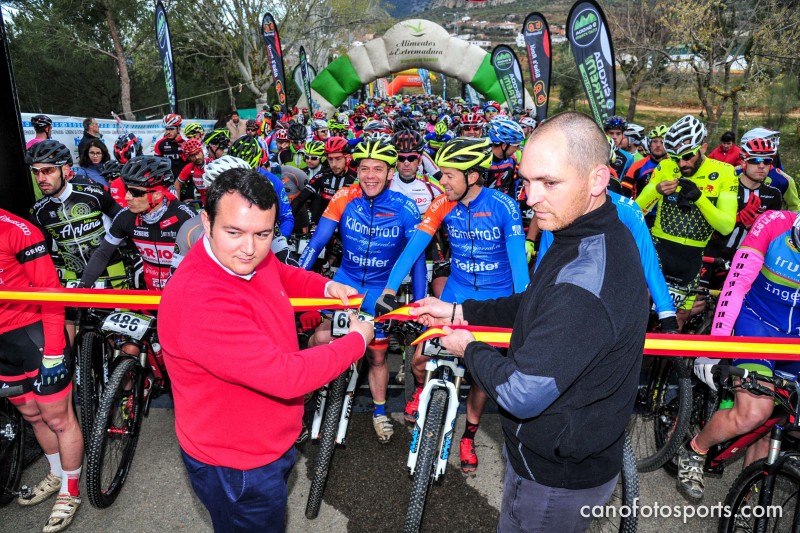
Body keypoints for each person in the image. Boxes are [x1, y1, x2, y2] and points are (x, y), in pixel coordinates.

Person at [409, 111, 649, 532]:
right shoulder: (586, 230)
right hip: (554, 456)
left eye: (549, 183)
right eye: (526, 180)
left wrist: (467, 345)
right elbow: (537, 302)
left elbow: (522, 392)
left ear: (596, 180)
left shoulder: (585, 281)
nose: (530, 197)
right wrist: (459, 311)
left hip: (554, 478)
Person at [159, 168, 371, 532]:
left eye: (263, 234)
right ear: (206, 221)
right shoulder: (200, 300)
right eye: (234, 232)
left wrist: (325, 287)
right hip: (237, 466)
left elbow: (279, 272)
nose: (250, 248)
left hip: (264, 445)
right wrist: (356, 341)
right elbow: (288, 377)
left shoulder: (244, 258)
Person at [376, 136, 529, 473]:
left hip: (495, 300)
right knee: (419, 360)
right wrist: (389, 289)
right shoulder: (442, 203)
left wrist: (524, 310)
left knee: (480, 376)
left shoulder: (503, 206)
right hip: (456, 294)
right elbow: (414, 247)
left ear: (472, 177)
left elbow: (520, 267)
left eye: (448, 175)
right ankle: (421, 391)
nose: (440, 181)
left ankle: (468, 436)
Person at [299, 140, 427, 443]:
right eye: (365, 169)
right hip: (346, 281)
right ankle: (303, 392)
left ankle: (380, 411)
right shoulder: (344, 197)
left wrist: (419, 304)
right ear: (357, 170)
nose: (370, 176)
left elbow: (418, 259)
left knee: (378, 355)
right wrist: (297, 280)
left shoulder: (405, 207)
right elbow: (317, 244)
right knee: (320, 337)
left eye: (378, 169)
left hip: (380, 290)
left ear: (390, 172)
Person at [683, 210, 800, 503]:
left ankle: (745, 494)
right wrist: (716, 347)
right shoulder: (773, 224)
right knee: (754, 413)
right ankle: (695, 450)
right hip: (756, 324)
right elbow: (736, 286)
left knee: (779, 420)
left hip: (795, 339)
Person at [0, 208, 83, 533]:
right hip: (4, 346)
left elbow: (50, 292)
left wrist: (53, 352)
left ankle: (71, 491)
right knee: (32, 415)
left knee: (58, 419)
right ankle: (56, 472)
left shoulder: (17, 230)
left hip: (33, 335)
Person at [635, 115, 738, 329]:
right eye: (675, 157)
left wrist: (699, 199)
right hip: (659, 249)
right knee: (638, 310)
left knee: (678, 320)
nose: (681, 164)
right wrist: (656, 190)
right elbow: (637, 210)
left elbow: (726, 225)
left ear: (704, 147)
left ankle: (666, 362)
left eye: (688, 156)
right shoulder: (665, 167)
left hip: (692, 259)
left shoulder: (725, 173)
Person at [28, 140, 125, 342]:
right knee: (67, 341)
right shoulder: (38, 212)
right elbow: (40, 253)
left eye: (47, 170)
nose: (41, 178)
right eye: (36, 172)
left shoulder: (94, 193)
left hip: (111, 273)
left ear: (65, 169)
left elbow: (123, 221)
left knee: (118, 342)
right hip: (72, 277)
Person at [80, 155, 196, 290]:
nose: (127, 197)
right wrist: (82, 287)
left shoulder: (185, 217)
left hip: (182, 295)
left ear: (157, 194)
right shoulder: (126, 217)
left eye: (135, 192)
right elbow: (103, 253)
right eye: (127, 189)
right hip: (147, 296)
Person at [154, 114, 187, 179]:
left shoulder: (186, 142)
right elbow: (156, 164)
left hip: (184, 179)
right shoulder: (160, 144)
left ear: (178, 129)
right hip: (168, 180)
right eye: (167, 129)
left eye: (171, 129)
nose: (168, 132)